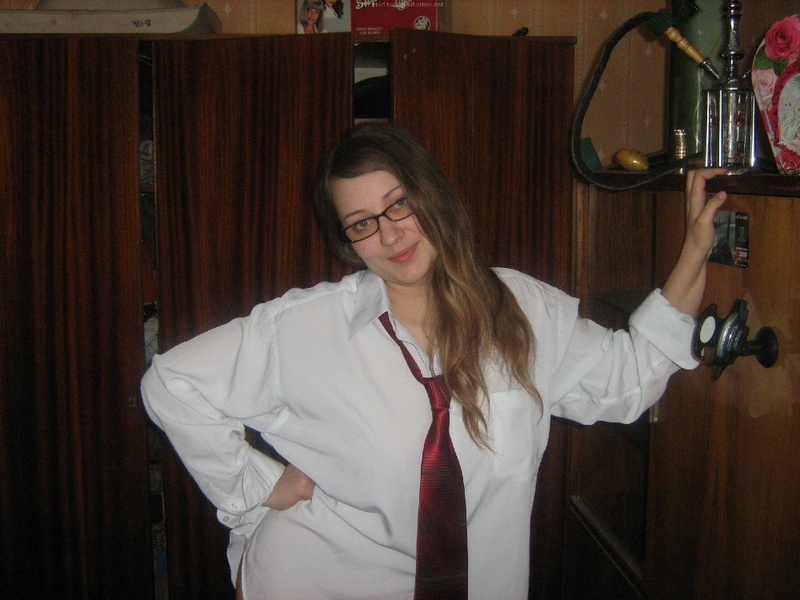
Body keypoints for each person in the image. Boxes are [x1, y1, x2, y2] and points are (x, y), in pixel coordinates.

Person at [141, 122, 728, 599]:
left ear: (431, 193)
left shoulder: (522, 311)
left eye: (399, 204)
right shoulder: (305, 328)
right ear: (348, 242)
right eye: (362, 224)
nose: (391, 235)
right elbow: (171, 383)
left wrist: (696, 249)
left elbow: (628, 379)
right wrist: (259, 484)